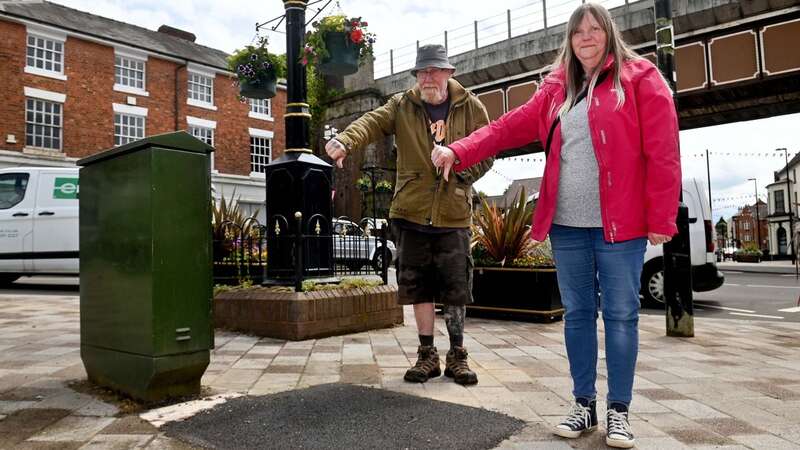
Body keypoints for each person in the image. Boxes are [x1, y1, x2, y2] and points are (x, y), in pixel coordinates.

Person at [431, 3, 680, 448]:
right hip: (567, 224)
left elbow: (663, 153)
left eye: (594, 29)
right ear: (569, 39)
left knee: (622, 316)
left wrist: (660, 218)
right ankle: (583, 404)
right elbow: (507, 127)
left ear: (608, 33)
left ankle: (618, 411)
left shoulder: (641, 78)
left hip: (620, 226)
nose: (586, 36)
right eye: (578, 31)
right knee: (579, 316)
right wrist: (458, 149)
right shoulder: (555, 87)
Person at [326, 44, 493, 386]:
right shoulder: (402, 104)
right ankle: (427, 355)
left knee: (455, 287)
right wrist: (345, 140)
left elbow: (489, 148)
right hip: (412, 210)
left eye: (434, 70)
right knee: (418, 287)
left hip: (453, 212)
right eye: (422, 72)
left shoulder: (471, 106)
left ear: (449, 73)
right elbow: (370, 122)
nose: (427, 77)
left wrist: (461, 174)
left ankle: (457, 356)